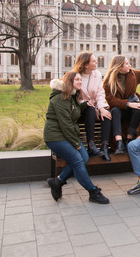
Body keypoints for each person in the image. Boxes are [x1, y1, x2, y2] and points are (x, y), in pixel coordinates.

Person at [44, 71, 109, 204]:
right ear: (69, 82)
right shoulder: (60, 98)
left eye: (81, 79)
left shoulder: (71, 96)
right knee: (78, 161)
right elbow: (65, 123)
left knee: (84, 158)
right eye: (77, 80)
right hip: (56, 137)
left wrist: (84, 104)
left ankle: (58, 181)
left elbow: (73, 109)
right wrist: (76, 143)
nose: (80, 82)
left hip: (67, 135)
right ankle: (93, 192)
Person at [73, 51, 112, 161]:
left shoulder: (97, 74)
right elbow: (73, 96)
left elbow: (100, 93)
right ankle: (91, 144)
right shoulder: (74, 76)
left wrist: (101, 108)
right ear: (85, 65)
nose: (96, 62)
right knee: (89, 109)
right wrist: (85, 104)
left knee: (107, 113)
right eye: (94, 61)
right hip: (80, 110)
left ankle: (104, 147)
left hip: (94, 108)